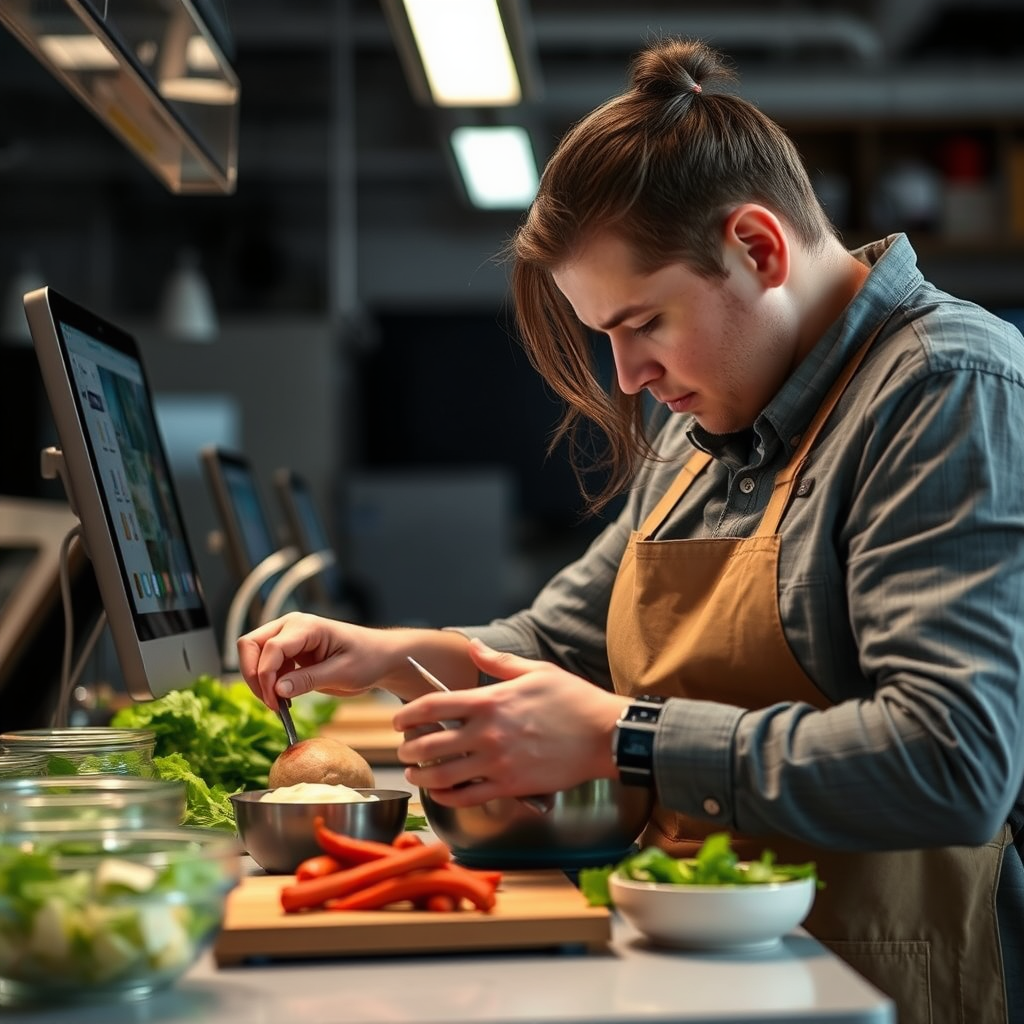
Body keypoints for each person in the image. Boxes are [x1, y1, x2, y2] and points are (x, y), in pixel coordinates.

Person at [238, 37, 1024, 1024]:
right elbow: (560, 642)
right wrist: (393, 652)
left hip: (882, 984)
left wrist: (623, 738)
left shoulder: (945, 388)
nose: (626, 376)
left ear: (757, 249)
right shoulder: (704, 424)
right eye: (605, 335)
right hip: (708, 963)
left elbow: (954, 760)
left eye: (643, 323)